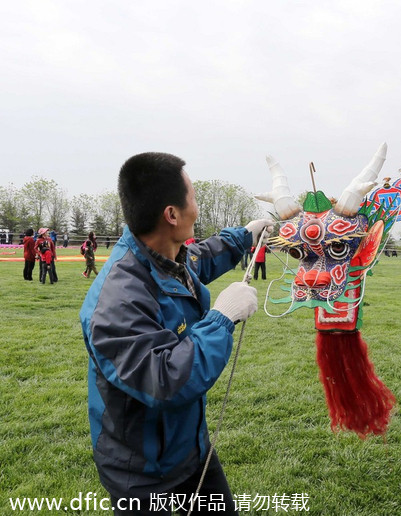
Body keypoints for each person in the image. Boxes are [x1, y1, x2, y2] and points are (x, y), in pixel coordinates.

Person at [80, 152, 270, 515]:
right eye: (194, 199)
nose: (197, 207)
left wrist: (245, 235)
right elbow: (164, 380)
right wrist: (221, 318)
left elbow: (204, 256)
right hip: (145, 475)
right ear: (172, 214)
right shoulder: (118, 299)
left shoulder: (166, 255)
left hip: (190, 450)